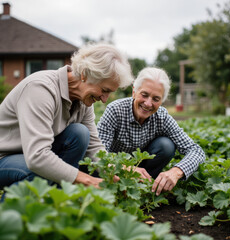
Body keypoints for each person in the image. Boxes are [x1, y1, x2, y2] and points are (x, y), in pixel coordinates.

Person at [0, 42, 134, 199]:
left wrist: (115, 174)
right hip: (5, 158)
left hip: (28, 156)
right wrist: (86, 180)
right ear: (84, 74)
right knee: (39, 170)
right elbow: (37, 158)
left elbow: (93, 145)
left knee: (80, 133)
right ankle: (8, 218)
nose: (104, 99)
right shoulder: (40, 89)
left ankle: (54, 203)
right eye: (104, 90)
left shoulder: (83, 100)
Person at [97, 67, 205, 196]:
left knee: (166, 145)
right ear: (134, 92)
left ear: (161, 102)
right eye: (144, 95)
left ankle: (149, 186)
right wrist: (125, 168)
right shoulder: (115, 110)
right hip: (115, 169)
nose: (148, 103)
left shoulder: (162, 117)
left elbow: (196, 151)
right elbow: (98, 154)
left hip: (146, 170)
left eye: (156, 99)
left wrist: (176, 171)